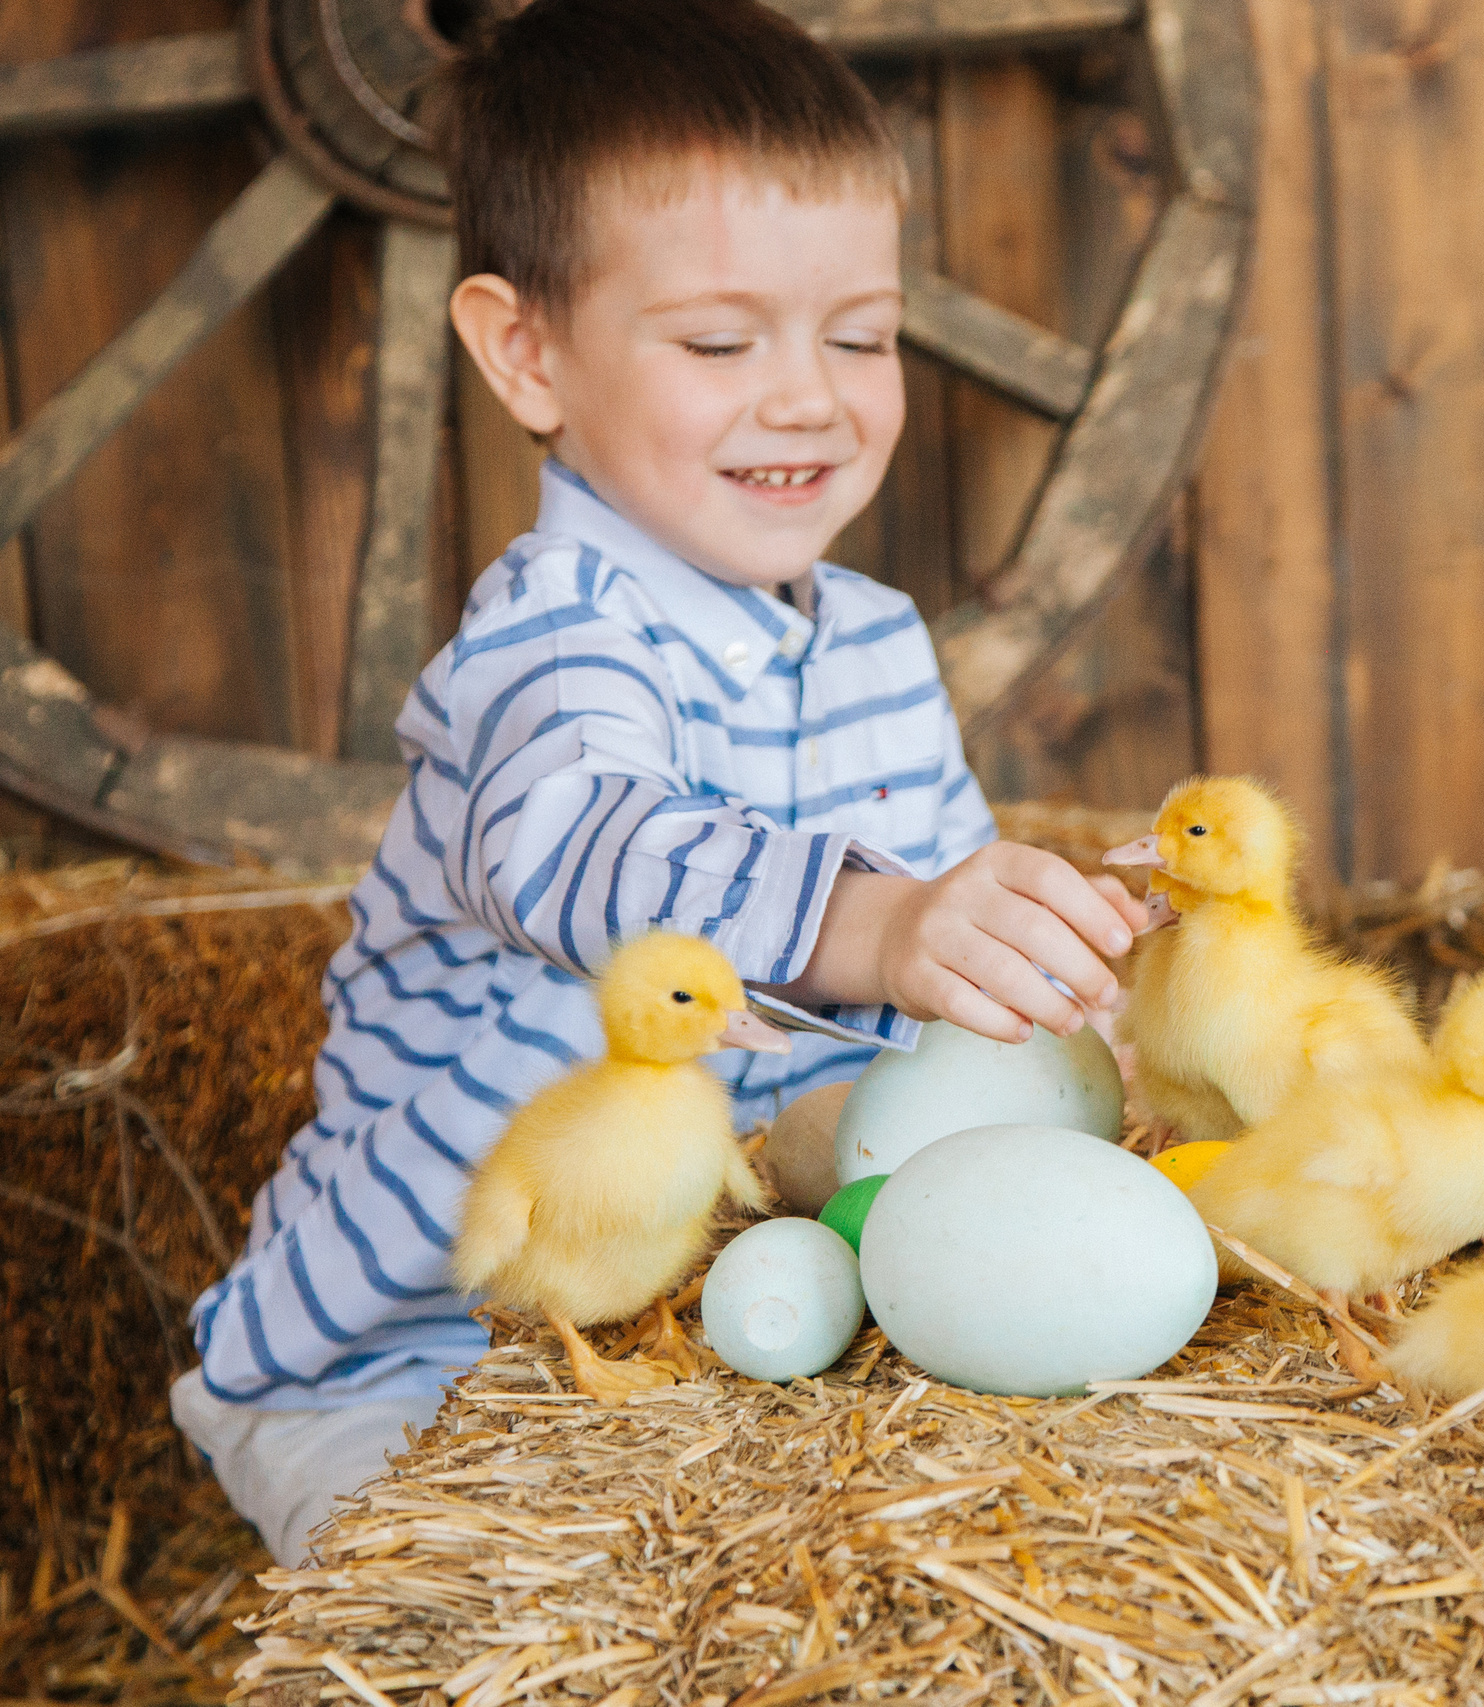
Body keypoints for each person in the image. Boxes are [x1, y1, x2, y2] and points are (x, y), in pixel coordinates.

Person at [169, 0, 1148, 1567]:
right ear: (526, 351)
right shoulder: (554, 635)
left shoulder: (881, 645)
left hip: (711, 1333)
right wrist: (878, 923)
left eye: (861, 333)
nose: (811, 397)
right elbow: (585, 848)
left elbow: (947, 964)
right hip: (420, 1358)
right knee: (483, 1636)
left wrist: (1051, 992)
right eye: (718, 341)